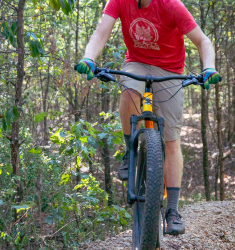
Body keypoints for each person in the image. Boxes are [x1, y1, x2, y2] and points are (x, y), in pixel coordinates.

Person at [75, 0, 220, 235]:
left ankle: (172, 210)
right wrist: (89, 57)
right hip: (136, 64)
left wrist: (208, 68)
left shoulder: (173, 6)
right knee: (129, 91)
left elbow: (203, 41)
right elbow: (101, 32)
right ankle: (129, 150)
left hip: (170, 70)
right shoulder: (119, 1)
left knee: (172, 142)